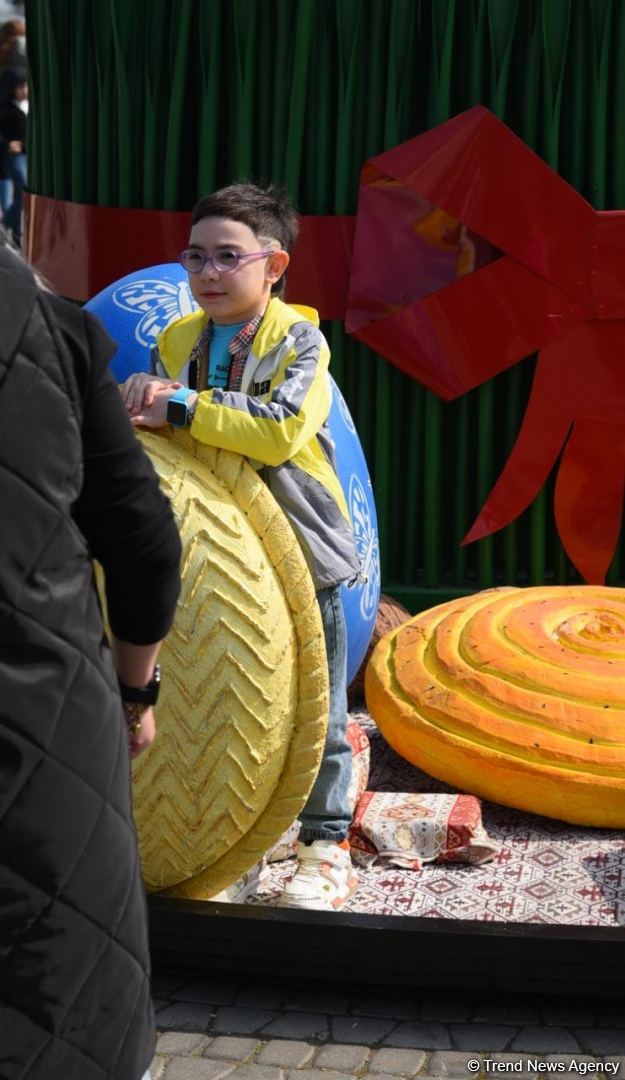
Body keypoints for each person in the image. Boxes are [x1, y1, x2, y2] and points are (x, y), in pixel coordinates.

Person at [120, 182, 362, 911]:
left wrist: (183, 406)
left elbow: (280, 429)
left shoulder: (301, 342)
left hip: (299, 547)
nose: (208, 273)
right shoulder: (179, 340)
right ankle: (232, 845)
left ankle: (324, 847)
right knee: (219, 700)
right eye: (196, 256)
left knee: (316, 711)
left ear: (274, 264)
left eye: (229, 257)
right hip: (215, 557)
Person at [0, 233, 182, 1080]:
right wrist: (133, 690)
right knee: (61, 982)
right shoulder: (52, 327)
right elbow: (141, 536)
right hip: (44, 717)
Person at [0, 65, 27, 243]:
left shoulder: (28, 105)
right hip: (14, 157)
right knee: (24, 188)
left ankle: (15, 231)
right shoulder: (5, 109)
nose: (24, 91)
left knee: (21, 195)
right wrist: (6, 145)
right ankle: (6, 224)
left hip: (27, 155)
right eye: (20, 87)